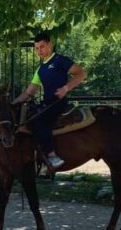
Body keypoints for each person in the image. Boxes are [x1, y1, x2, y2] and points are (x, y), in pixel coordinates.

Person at [12, 32, 86, 169]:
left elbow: (81, 73)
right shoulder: (40, 70)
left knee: (39, 121)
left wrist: (66, 88)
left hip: (58, 102)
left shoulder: (60, 60)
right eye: (37, 48)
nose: (40, 50)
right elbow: (28, 92)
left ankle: (52, 156)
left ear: (50, 45)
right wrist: (12, 103)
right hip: (47, 103)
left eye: (42, 46)